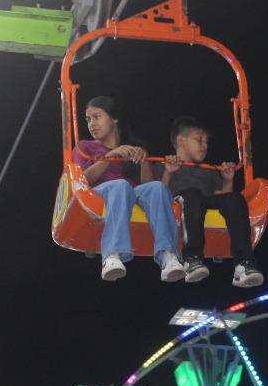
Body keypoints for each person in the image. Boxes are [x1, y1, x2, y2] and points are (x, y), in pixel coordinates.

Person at [71, 96, 184, 283]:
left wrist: (144, 161)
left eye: (97, 116)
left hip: (127, 195)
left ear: (114, 119)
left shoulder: (132, 148)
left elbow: (147, 187)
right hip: (97, 195)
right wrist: (109, 157)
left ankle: (168, 254)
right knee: (120, 185)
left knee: (156, 188)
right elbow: (82, 180)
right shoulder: (85, 146)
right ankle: (112, 254)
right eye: (88, 119)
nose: (92, 124)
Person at [162, 116, 264, 287]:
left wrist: (227, 180)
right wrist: (169, 173)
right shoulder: (165, 165)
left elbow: (221, 199)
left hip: (204, 202)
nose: (204, 146)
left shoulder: (209, 171)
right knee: (191, 195)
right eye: (199, 140)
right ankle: (191, 258)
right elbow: (160, 196)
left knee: (235, 198)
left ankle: (243, 263)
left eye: (206, 142)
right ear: (181, 140)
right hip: (182, 203)